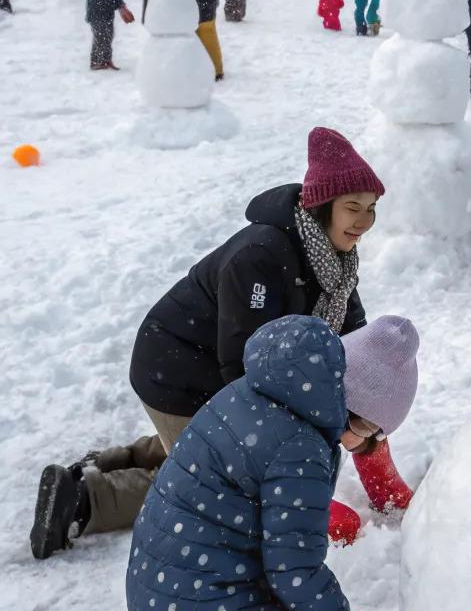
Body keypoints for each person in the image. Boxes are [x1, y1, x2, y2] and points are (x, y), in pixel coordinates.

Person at [34, 310, 417, 611]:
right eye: (372, 437)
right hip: (197, 593)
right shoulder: (303, 448)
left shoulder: (262, 391)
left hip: (166, 584)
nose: (364, 448)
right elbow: (294, 570)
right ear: (360, 413)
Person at [28, 128, 414, 557]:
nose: (364, 221)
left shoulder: (334, 260)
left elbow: (350, 341)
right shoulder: (262, 255)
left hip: (205, 370)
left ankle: (108, 462)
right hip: (177, 370)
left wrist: (365, 413)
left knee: (211, 440)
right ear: (323, 207)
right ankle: (86, 500)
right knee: (220, 481)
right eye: (353, 207)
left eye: (372, 209)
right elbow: (245, 370)